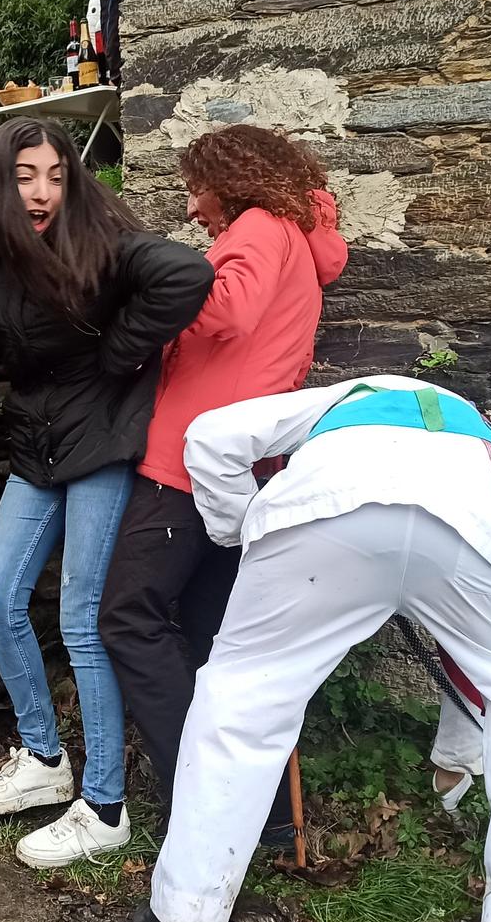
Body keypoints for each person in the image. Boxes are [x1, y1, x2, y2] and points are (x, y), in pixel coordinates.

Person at [128, 376, 491, 922]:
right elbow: (471, 668)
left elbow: (211, 436)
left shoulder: (345, 396)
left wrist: (242, 533)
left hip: (325, 510)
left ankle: (183, 917)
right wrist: (457, 752)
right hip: (475, 530)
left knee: (239, 701)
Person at [0, 118, 212, 869]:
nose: (44, 191)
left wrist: (115, 358)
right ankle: (46, 762)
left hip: (103, 441)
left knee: (83, 621)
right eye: (26, 177)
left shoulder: (98, 236)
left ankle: (106, 805)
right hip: (39, 443)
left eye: (56, 174)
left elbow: (186, 275)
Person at [99, 125, 347, 837]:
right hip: (244, 461)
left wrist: (150, 292)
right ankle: (263, 815)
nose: (191, 207)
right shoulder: (295, 236)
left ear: (230, 181)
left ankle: (208, 797)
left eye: (195, 189)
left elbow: (226, 308)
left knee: (127, 616)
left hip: (192, 458)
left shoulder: (260, 227)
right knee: (215, 637)